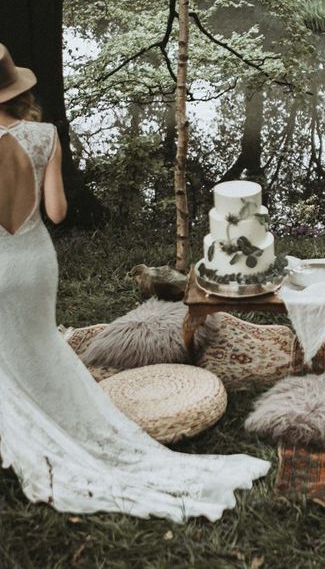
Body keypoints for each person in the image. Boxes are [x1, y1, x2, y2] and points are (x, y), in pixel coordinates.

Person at [0, 43, 269, 521]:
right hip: (35, 260)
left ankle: (29, 426)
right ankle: (69, 419)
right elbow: (58, 213)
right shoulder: (44, 135)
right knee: (41, 344)